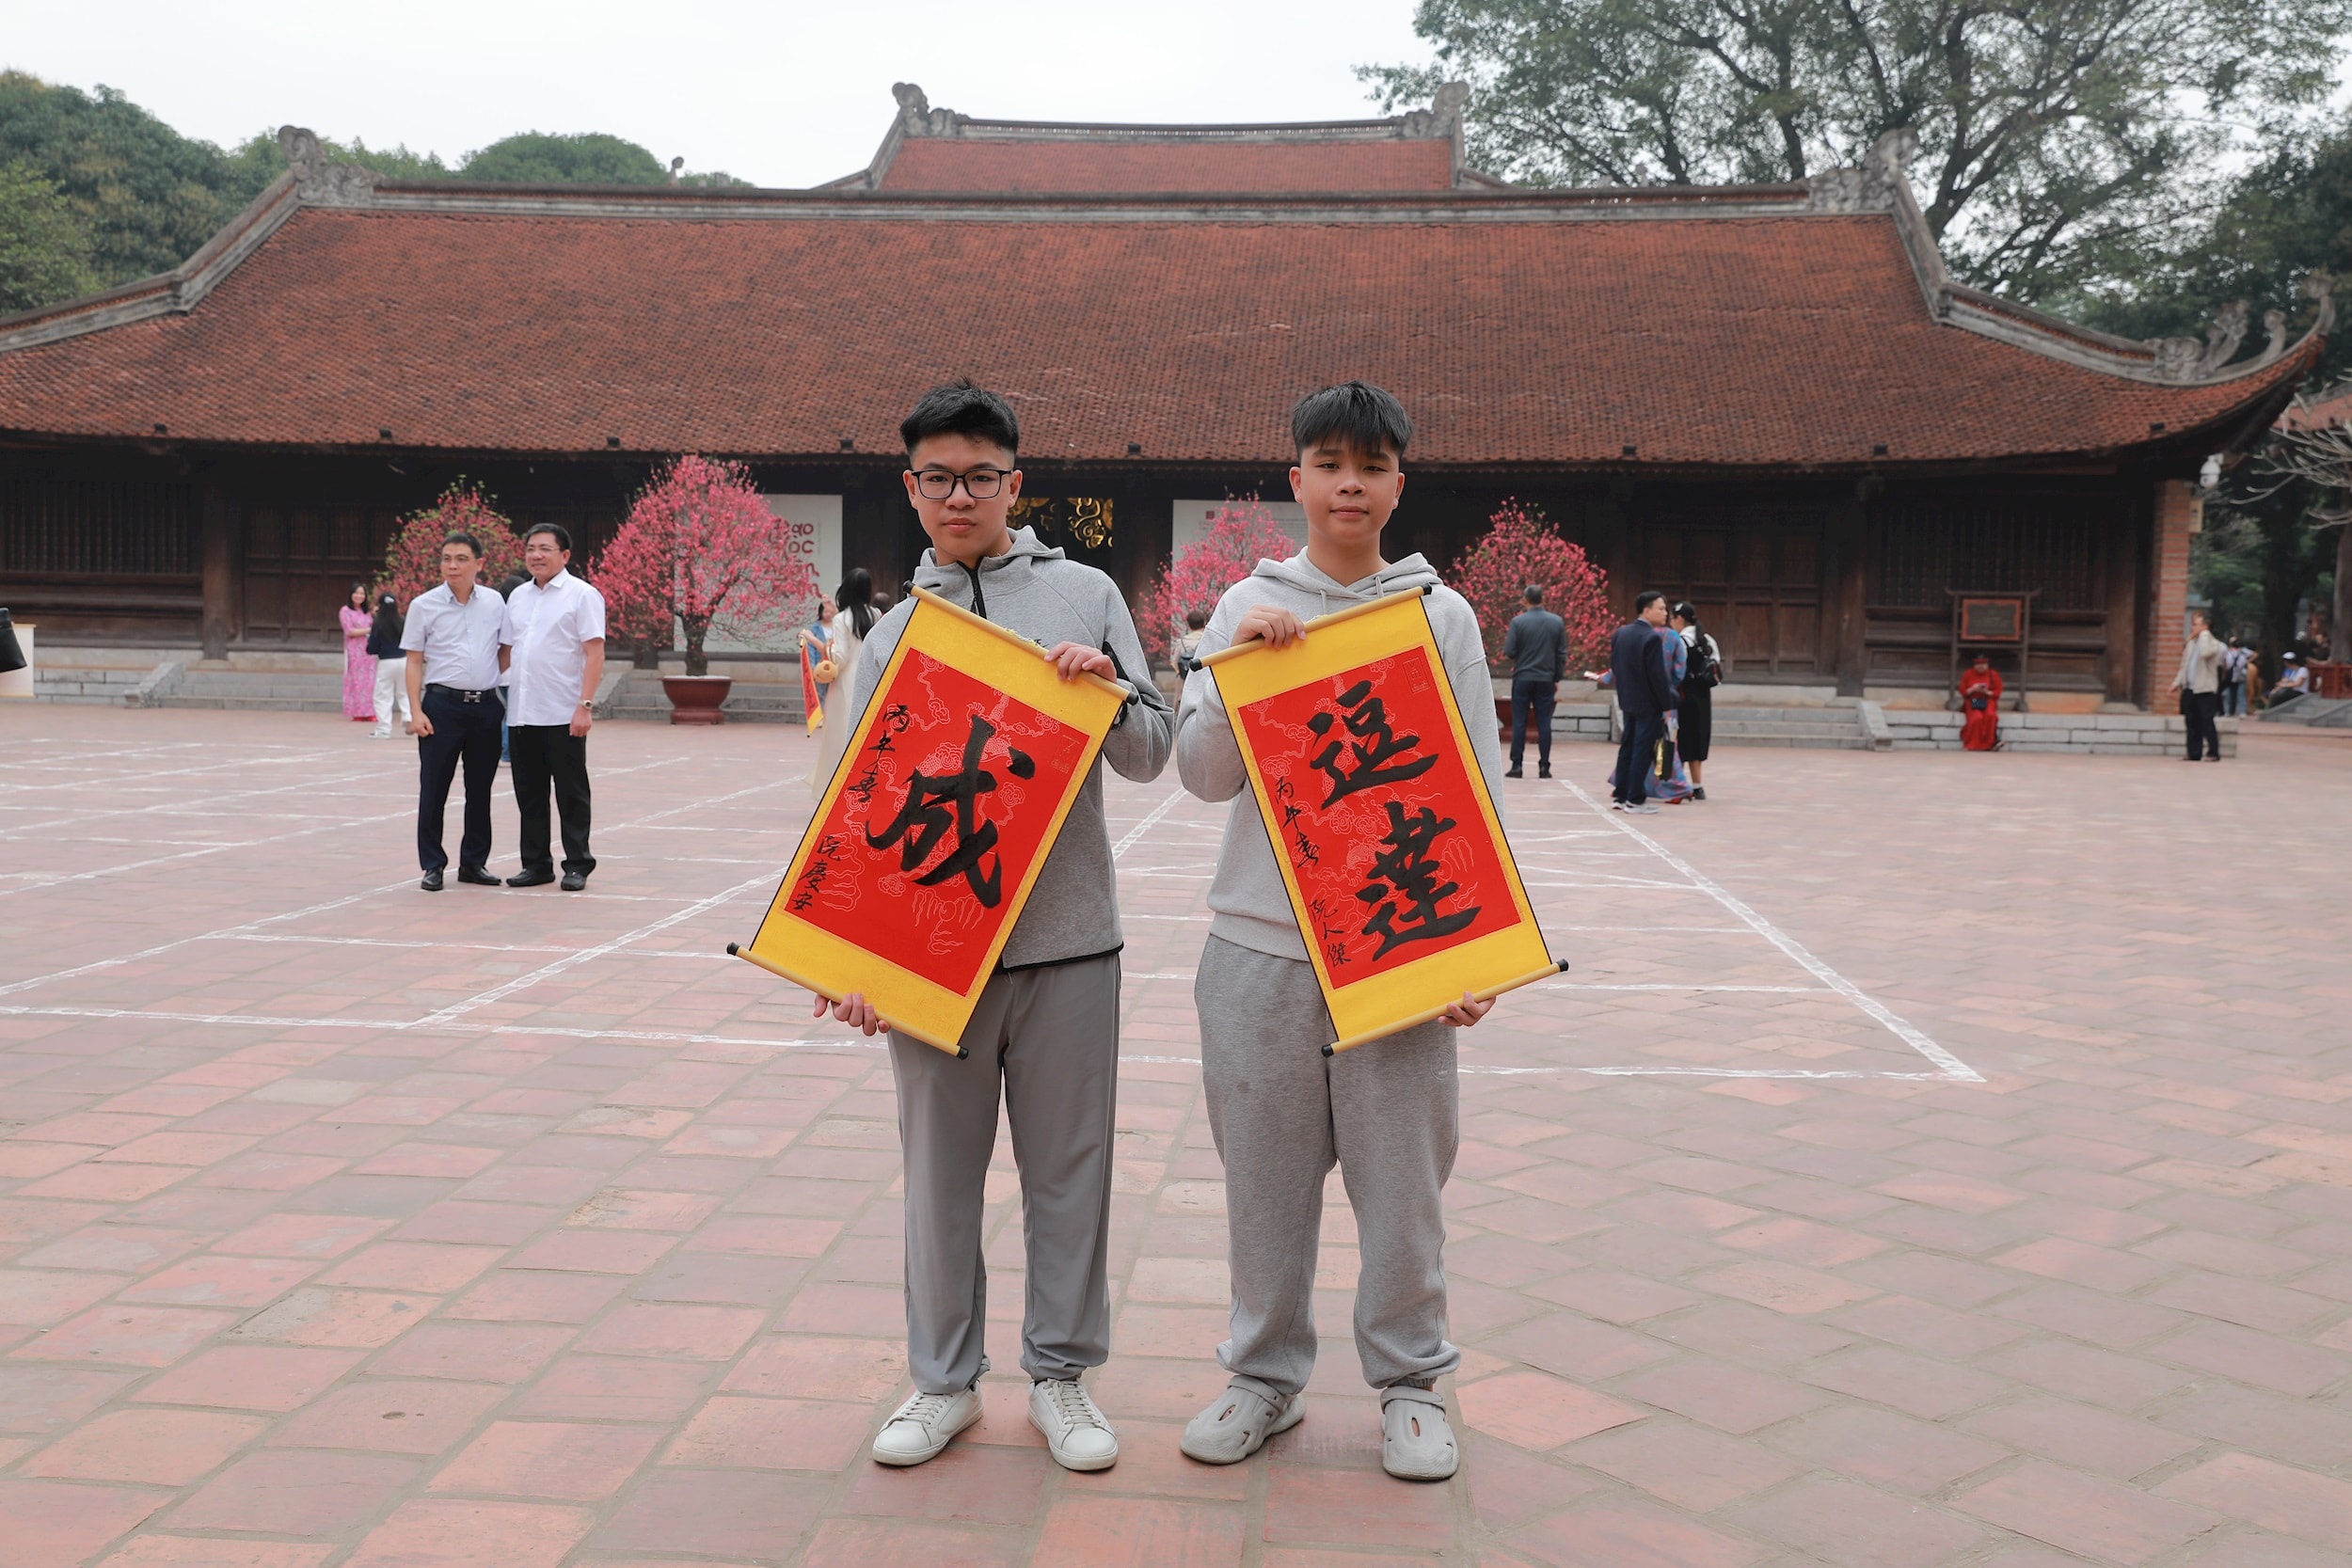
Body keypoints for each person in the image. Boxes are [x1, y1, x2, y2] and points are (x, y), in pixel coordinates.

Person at [817, 381, 1174, 1475]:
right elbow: (851, 805)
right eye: (937, 477)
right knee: (939, 1175)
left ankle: (1061, 1376)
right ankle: (943, 1382)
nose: (958, 494)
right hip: (932, 953)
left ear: (1016, 484)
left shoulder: (1086, 593)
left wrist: (1108, 690)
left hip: (1070, 939)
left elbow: (1155, 747)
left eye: (980, 475)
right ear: (911, 488)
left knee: (1069, 1168)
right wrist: (847, 961)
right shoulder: (890, 632)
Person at [1173, 381, 1501, 1484]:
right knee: (1261, 1178)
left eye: (1371, 462)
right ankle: (1262, 1377)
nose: (1349, 481)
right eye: (1328, 461)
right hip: (1259, 944)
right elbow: (1201, 777)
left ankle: (1411, 1382)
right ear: (1296, 479)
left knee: (1402, 1178)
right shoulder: (1240, 607)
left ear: (1399, 481)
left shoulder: (1439, 617)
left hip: (1400, 940)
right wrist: (1240, 674)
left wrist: (1473, 948)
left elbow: (1475, 788)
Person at [501, 525, 605, 891]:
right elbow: (508, 651)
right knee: (529, 793)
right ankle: (536, 864)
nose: (536, 555)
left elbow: (594, 652)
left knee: (571, 793)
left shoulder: (582, 595)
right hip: (522, 712)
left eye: (545, 548)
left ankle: (577, 863)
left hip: (564, 713)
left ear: (564, 555)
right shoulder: (517, 597)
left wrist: (585, 706)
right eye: (531, 548)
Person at [402, 533, 507, 892]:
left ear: (479, 563)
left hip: (486, 708)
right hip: (441, 707)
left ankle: (474, 863)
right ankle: (432, 864)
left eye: (461, 559)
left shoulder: (495, 603)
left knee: (480, 790)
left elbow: (505, 649)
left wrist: (490, 680)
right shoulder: (424, 605)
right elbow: (414, 661)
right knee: (434, 788)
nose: (452, 565)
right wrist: (415, 711)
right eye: (446, 558)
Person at [810, 570, 876, 796]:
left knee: (840, 734)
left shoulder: (841, 619)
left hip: (846, 679)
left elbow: (841, 657)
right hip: (872, 676)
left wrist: (827, 648)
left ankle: (836, 786)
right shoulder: (875, 613)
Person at [1609, 593, 1674, 814]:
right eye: (1661, 608)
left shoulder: (1621, 633)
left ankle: (1620, 794)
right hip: (1648, 703)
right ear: (1647, 611)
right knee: (1642, 749)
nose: (1665, 613)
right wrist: (1666, 705)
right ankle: (1635, 799)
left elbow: (1615, 667)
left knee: (1627, 747)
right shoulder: (1651, 638)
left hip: (1627, 700)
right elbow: (1657, 676)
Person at [1502, 584, 1566, 779]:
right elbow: (1561, 653)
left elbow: (1510, 651)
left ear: (1525, 600)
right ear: (1542, 599)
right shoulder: (1556, 622)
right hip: (1545, 678)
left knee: (1519, 722)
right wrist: (1556, 676)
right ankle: (1544, 767)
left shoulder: (1518, 622)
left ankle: (1516, 766)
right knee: (1544, 722)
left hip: (1523, 677)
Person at [1671, 602, 1718, 799]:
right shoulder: (1707, 640)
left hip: (1683, 696)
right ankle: (1697, 786)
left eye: (1672, 618)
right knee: (1697, 739)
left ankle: (1678, 783)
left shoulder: (1680, 641)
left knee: (1680, 740)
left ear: (1679, 619)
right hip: (1703, 697)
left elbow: (1675, 669)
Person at [2171, 611, 2224, 761]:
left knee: (2207, 722)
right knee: (2191, 721)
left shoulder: (2213, 644)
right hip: (2190, 688)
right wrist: (2177, 683)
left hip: (2205, 689)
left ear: (2205, 627)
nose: (2192, 627)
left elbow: (2205, 652)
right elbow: (2184, 666)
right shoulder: (2190, 644)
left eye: (2196, 624)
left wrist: (2205, 635)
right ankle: (2194, 752)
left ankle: (2213, 752)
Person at [367, 591, 411, 737]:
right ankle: (408, 717)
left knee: (383, 696)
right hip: (403, 660)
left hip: (386, 662)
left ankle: (384, 729)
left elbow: (372, 648)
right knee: (404, 692)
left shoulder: (378, 624)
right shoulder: (402, 622)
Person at [339, 584, 375, 722]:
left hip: (368, 650)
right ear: (351, 594)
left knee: (369, 681)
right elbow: (350, 631)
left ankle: (370, 712)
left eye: (362, 594)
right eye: (356, 593)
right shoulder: (345, 611)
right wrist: (370, 629)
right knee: (356, 680)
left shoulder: (367, 612)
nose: (359, 596)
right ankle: (357, 711)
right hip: (354, 650)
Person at [1958, 653, 2003, 751]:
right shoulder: (1968, 674)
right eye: (1978, 664)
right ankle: (1972, 744)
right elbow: (1963, 690)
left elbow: (1997, 692)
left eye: (1983, 664)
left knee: (1991, 716)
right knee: (1976, 717)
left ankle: (1990, 743)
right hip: (1973, 700)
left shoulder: (1993, 674)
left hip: (1988, 700)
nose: (1980, 666)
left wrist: (1987, 692)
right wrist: (1973, 689)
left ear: (1987, 665)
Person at [1172, 606, 1209, 675]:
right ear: (1204, 622)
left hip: (1185, 680)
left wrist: (1181, 674)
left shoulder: (1181, 642)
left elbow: (1175, 663)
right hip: (1203, 679)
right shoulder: (1207, 640)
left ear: (1188, 624)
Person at [2220, 637, 2249, 718]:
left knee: (2229, 695)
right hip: (2240, 677)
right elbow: (2243, 665)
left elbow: (2226, 665)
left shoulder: (2228, 654)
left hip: (2230, 677)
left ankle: (2228, 711)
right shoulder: (2242, 655)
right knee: (2241, 694)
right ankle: (2242, 711)